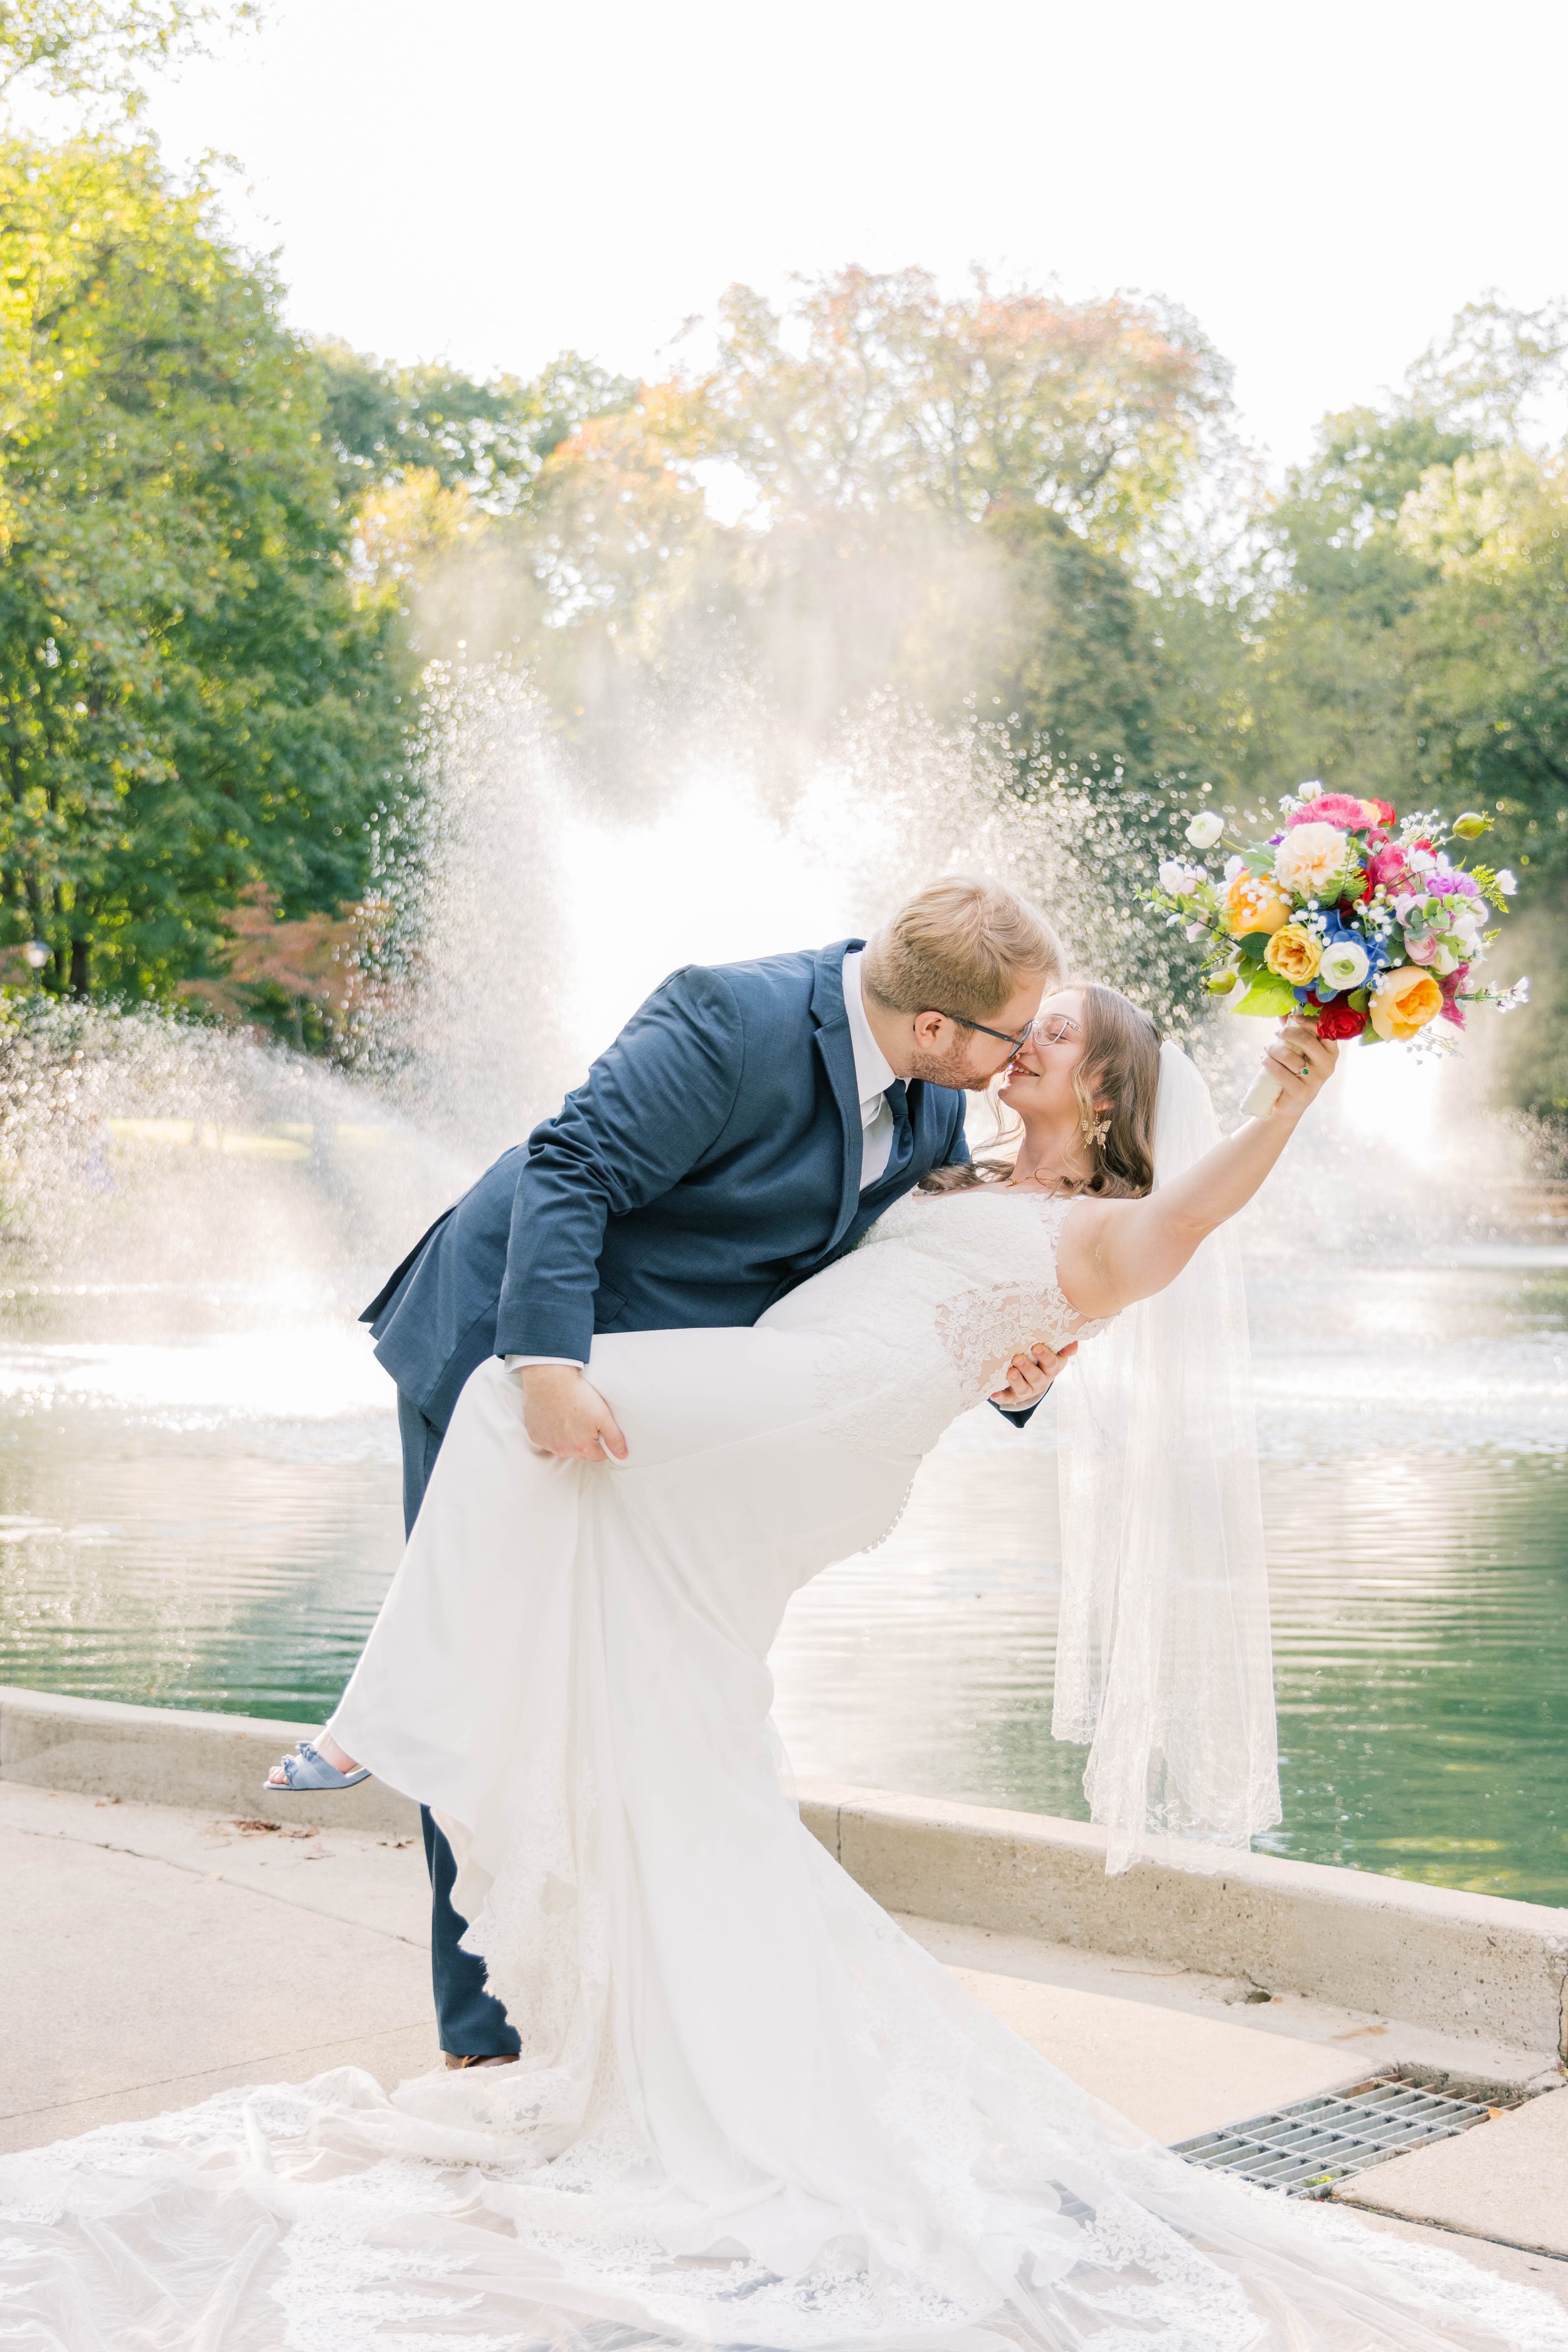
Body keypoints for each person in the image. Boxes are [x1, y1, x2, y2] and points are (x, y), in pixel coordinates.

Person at [11, 983, 1562, 2349]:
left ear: (1105, 1095)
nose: (1030, 1040)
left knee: (511, 1408)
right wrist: (1007, 1349)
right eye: (1030, 1021)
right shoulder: (945, 1150)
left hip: (817, 1414)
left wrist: (1287, 1099)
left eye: (1064, 1035)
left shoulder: (1103, 1232)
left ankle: (383, 1722)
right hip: (790, 1399)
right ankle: (636, 2023)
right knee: (664, 1699)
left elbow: (1185, 1220)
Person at [268, 877, 1078, 2070]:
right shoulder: (728, 1019)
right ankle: (491, 2029)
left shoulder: (933, 1102)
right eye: (1012, 1036)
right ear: (936, 1028)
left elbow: (911, 1285)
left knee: (605, 1685)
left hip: (657, 1403)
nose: (1016, 1063)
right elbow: (570, 1165)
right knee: (497, 1666)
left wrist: (1015, 1376)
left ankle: (603, 1982)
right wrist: (546, 1367)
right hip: (507, 1343)